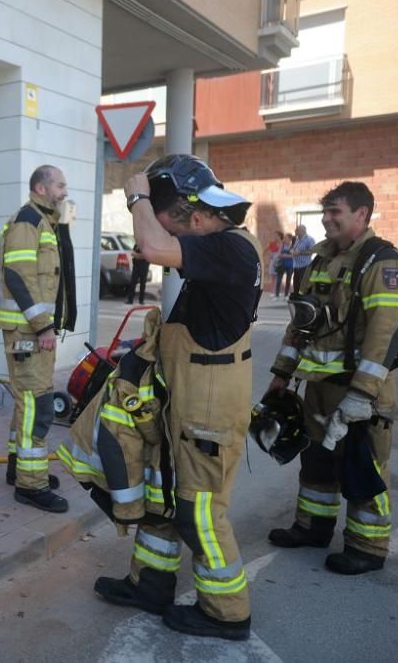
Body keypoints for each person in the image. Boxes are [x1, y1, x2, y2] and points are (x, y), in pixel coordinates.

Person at [94, 154, 261, 641]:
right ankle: (150, 585)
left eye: (175, 226)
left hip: (209, 410)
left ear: (195, 213)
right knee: (165, 496)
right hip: (190, 402)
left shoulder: (230, 248)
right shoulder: (221, 247)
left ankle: (227, 612)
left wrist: (138, 197)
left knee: (200, 511)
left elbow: (151, 245)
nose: (171, 239)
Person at [263, 182, 398, 575]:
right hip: (319, 388)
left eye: (337, 212)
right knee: (317, 461)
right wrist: (281, 375)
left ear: (362, 215)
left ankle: (367, 547)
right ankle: (313, 527)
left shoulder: (381, 263)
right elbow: (301, 325)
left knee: (364, 466)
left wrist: (361, 395)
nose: (328, 219)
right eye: (325, 212)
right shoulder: (319, 261)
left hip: (361, 391)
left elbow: (386, 333)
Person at [0, 165, 77, 513]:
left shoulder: (46, 222)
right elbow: (17, 275)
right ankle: (31, 485)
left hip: (33, 330)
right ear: (41, 187)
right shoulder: (28, 220)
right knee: (37, 406)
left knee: (27, 403)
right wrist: (43, 326)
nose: (64, 191)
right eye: (60, 185)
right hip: (29, 332)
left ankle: (19, 469)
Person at [291, 224, 316, 292]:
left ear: (302, 231)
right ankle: (297, 299)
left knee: (303, 285)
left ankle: (304, 299)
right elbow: (294, 249)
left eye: (296, 230)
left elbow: (312, 251)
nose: (295, 232)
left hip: (305, 266)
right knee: (296, 285)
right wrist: (292, 251)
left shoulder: (309, 239)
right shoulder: (297, 240)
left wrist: (299, 253)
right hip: (296, 266)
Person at [275, 233, 294, 298]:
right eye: (284, 238)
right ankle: (276, 295)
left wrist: (284, 255)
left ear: (290, 239)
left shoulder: (293, 246)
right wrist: (288, 256)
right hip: (281, 265)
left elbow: (293, 256)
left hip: (290, 265)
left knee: (288, 281)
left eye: (286, 238)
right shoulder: (282, 245)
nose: (284, 239)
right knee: (278, 280)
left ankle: (286, 295)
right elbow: (279, 254)